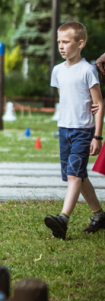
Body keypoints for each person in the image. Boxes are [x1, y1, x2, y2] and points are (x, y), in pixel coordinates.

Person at [43, 21, 104, 239]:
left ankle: (63, 219)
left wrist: (97, 136)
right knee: (77, 175)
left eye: (66, 42)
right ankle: (99, 215)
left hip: (83, 130)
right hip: (64, 129)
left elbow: (99, 104)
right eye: (59, 42)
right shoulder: (57, 70)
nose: (61, 46)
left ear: (80, 43)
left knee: (73, 175)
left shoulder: (88, 70)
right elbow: (65, 98)